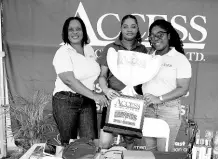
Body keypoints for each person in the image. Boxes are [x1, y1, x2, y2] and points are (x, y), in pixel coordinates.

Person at [52, 16, 108, 146]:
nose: (75, 32)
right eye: (71, 29)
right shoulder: (63, 52)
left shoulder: (88, 49)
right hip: (66, 100)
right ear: (66, 33)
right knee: (68, 144)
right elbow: (69, 80)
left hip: (87, 101)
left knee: (90, 143)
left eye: (78, 29)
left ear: (83, 31)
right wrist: (95, 95)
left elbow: (96, 73)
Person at [97, 14, 147, 150]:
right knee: (104, 144)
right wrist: (106, 91)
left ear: (137, 29)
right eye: (125, 27)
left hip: (133, 103)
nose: (129, 30)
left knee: (129, 142)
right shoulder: (111, 48)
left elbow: (145, 79)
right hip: (113, 100)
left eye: (133, 26)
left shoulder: (143, 50)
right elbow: (102, 75)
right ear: (121, 29)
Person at [142, 19, 192, 152]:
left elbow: (183, 88)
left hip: (168, 110)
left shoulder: (179, 59)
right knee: (150, 152)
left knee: (163, 153)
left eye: (160, 34)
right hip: (148, 108)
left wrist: (159, 99)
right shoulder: (148, 57)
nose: (155, 38)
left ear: (168, 36)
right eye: (152, 35)